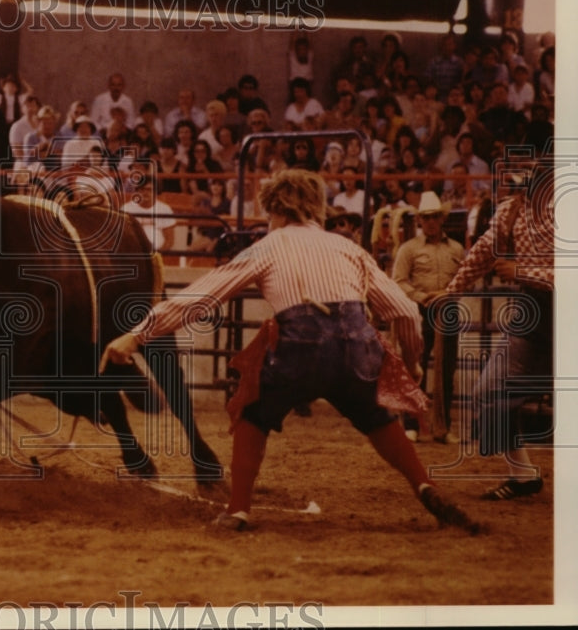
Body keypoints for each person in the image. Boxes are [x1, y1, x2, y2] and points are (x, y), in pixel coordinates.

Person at [101, 169, 481, 534]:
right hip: (357, 343)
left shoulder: (269, 246)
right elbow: (404, 311)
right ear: (315, 208)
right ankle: (424, 486)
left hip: (302, 344)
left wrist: (136, 336)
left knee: (253, 413)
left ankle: (238, 510)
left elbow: (202, 298)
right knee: (376, 418)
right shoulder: (348, 248)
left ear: (278, 210)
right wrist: (412, 363)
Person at [445, 154, 552, 501]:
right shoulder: (512, 210)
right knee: (491, 391)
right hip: (535, 313)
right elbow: (483, 252)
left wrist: (521, 271)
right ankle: (522, 476)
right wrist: (452, 290)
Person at [391, 191, 464, 444]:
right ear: (420, 220)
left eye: (434, 217)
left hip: (447, 311)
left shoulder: (457, 249)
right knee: (415, 367)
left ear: (441, 219)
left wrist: (447, 294)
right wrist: (421, 297)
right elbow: (398, 281)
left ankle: (442, 427)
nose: (430, 222)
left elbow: (464, 281)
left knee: (447, 369)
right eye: (426, 218)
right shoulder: (408, 249)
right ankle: (412, 424)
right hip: (419, 312)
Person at [121, 168, 176, 253]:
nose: (145, 193)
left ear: (156, 191)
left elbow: (169, 241)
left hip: (158, 255)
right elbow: (122, 237)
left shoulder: (165, 209)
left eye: (149, 189)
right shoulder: (126, 209)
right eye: (142, 189)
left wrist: (157, 256)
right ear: (137, 191)